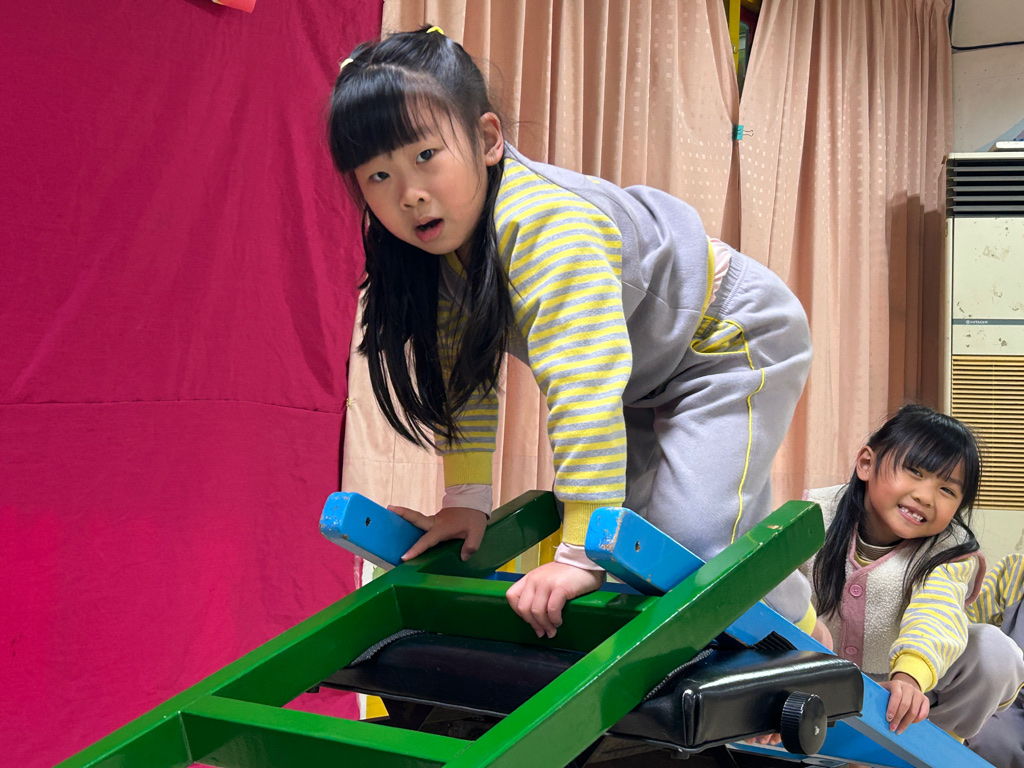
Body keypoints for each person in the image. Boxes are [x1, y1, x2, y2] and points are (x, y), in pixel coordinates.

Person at [327, 26, 813, 640]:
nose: (410, 194)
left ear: (487, 139)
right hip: (647, 370)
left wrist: (580, 555)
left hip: (728, 339)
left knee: (681, 540)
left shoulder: (544, 226)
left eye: (426, 156)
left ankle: (804, 636)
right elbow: (463, 377)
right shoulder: (439, 257)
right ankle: (781, 614)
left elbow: (583, 386)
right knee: (639, 536)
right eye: (378, 176)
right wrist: (466, 502)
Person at [801, 404, 1024, 750]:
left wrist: (909, 678)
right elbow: (776, 591)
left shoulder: (950, 551)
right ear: (866, 463)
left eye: (947, 490)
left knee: (994, 650)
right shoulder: (814, 514)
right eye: (915, 472)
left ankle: (928, 744)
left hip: (901, 691)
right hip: (812, 675)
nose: (925, 496)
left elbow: (936, 615)